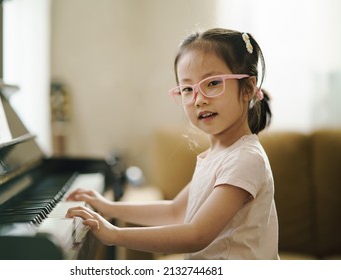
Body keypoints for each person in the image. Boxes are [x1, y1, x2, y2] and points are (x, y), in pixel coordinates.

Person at [66, 28, 279, 260]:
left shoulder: (245, 158)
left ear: (247, 88)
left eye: (213, 83)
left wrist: (115, 235)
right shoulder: (217, 154)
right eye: (188, 89)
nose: (199, 99)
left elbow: (197, 235)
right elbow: (175, 211)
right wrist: (107, 207)